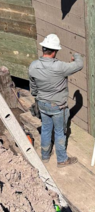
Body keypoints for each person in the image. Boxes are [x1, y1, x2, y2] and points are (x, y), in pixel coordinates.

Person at [28, 34, 84, 167]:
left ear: (43, 49)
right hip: (58, 106)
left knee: (46, 129)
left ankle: (45, 155)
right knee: (60, 132)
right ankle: (62, 160)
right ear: (54, 52)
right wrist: (76, 55)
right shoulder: (60, 67)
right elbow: (79, 64)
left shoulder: (33, 66)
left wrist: (38, 97)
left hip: (42, 104)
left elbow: (33, 87)